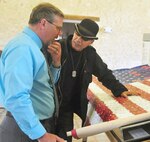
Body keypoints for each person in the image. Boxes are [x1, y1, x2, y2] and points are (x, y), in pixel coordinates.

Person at [46, 18, 139, 142]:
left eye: (84, 38)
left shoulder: (90, 55)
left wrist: (119, 89)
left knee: (64, 138)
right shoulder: (58, 47)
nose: (78, 40)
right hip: (51, 104)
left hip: (70, 105)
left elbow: (104, 74)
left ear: (91, 42)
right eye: (78, 34)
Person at [0, 2, 65, 142]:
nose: (59, 33)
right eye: (58, 28)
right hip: (24, 130)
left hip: (32, 125)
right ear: (43, 23)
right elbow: (16, 97)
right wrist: (40, 134)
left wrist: (56, 63)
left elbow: (44, 84)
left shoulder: (33, 46)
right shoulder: (22, 48)